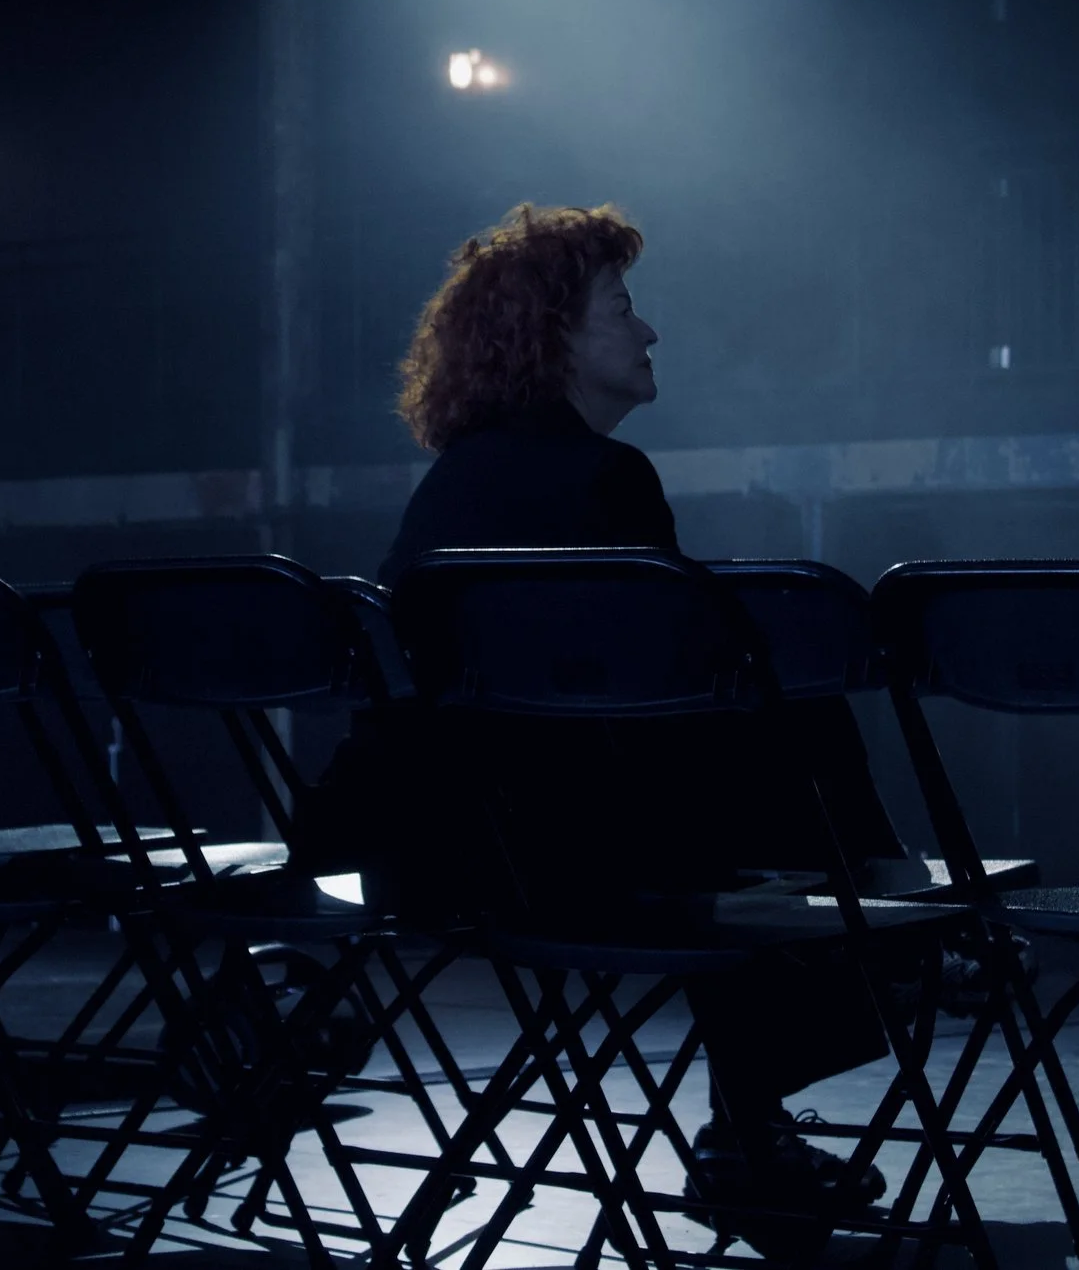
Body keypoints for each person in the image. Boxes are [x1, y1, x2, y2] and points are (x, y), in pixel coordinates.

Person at [328, 202, 911, 1233]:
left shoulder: (453, 484)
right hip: (565, 859)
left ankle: (767, 1104)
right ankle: (873, 977)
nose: (647, 332)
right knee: (796, 740)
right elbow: (672, 699)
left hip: (441, 851)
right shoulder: (606, 477)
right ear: (555, 335)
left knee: (758, 780)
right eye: (624, 309)